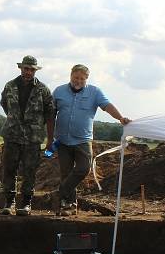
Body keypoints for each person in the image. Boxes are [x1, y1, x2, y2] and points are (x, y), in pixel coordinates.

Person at [51, 64, 130, 216]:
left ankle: (62, 191)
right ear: (70, 76)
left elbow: (107, 106)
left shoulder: (94, 92)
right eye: (75, 77)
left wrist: (120, 118)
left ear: (86, 79)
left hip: (83, 140)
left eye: (81, 78)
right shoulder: (59, 91)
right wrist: (49, 138)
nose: (78, 80)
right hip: (62, 140)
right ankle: (68, 205)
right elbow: (50, 113)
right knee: (66, 173)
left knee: (83, 169)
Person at [0, 55, 55, 216]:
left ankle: (26, 204)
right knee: (9, 169)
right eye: (26, 68)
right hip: (12, 135)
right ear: (21, 68)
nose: (28, 72)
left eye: (31, 69)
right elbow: (5, 105)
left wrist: (49, 138)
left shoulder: (43, 90)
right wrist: (15, 120)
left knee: (30, 171)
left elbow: (50, 114)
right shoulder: (9, 86)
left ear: (35, 70)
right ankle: (9, 203)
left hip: (33, 138)